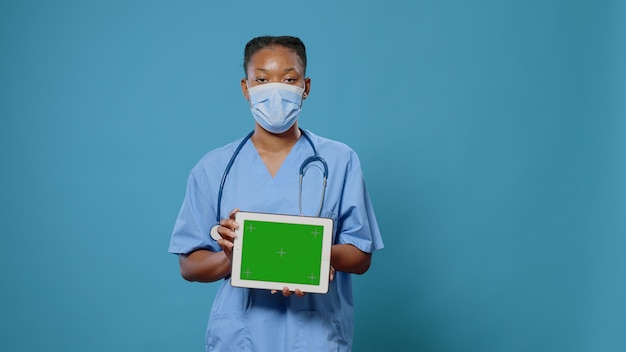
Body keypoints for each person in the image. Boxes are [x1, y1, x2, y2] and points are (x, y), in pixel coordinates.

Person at [169, 35, 384, 352]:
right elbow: (189, 265)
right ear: (246, 88)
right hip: (239, 336)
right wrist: (235, 256)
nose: (275, 88)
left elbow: (361, 255)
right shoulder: (214, 167)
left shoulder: (340, 160)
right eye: (262, 79)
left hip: (315, 336)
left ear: (306, 87)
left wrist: (308, 256)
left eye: (288, 79)